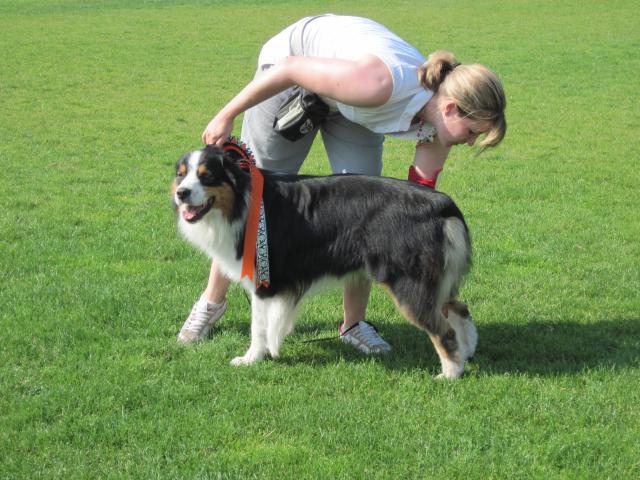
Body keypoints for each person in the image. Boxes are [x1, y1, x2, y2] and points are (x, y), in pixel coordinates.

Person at [178, 14, 506, 354]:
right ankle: (211, 303)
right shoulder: (379, 84)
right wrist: (226, 114)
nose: (469, 143)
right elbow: (290, 67)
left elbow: (408, 210)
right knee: (250, 205)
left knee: (365, 214)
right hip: (290, 73)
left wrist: (424, 274)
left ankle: (354, 325)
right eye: (472, 133)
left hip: (350, 103)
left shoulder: (439, 127)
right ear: (451, 108)